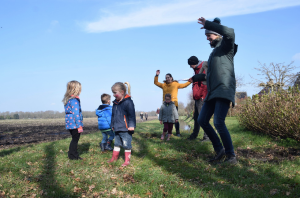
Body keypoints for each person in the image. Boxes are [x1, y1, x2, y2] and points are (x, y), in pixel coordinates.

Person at [190, 17, 238, 164]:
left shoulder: (226, 47)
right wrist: (196, 77)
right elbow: (210, 75)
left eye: (208, 35)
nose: (207, 39)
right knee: (202, 120)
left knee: (218, 122)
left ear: (216, 34)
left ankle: (231, 156)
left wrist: (209, 25)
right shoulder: (213, 54)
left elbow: (230, 32)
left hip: (223, 89)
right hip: (212, 92)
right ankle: (220, 150)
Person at [154, 70, 191, 137]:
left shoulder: (175, 84)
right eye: (166, 78)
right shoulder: (163, 85)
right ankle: (168, 133)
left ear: (171, 78)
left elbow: (183, 85)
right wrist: (157, 75)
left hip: (174, 104)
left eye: (168, 77)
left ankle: (178, 132)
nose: (167, 79)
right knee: (167, 119)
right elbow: (156, 82)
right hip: (165, 105)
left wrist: (189, 81)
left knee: (175, 119)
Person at [108, 82, 136, 166]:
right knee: (116, 144)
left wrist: (131, 125)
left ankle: (127, 160)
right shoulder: (115, 103)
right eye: (113, 93)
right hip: (117, 128)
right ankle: (114, 158)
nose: (113, 95)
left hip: (126, 129)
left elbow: (131, 115)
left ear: (122, 92)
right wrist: (112, 124)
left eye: (115, 93)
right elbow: (113, 115)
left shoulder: (128, 102)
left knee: (126, 145)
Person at [186, 56, 209, 141]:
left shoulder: (203, 67)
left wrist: (202, 95)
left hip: (202, 96)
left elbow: (204, 81)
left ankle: (207, 136)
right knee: (196, 117)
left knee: (202, 117)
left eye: (190, 65)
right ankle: (194, 135)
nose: (190, 67)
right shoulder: (196, 69)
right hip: (197, 97)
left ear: (193, 63)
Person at [62, 80, 83, 160]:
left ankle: (72, 154)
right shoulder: (74, 100)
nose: (81, 91)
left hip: (70, 123)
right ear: (76, 89)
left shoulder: (68, 99)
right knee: (75, 140)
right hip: (74, 124)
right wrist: (79, 126)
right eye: (80, 89)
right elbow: (76, 114)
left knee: (74, 139)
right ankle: (73, 156)